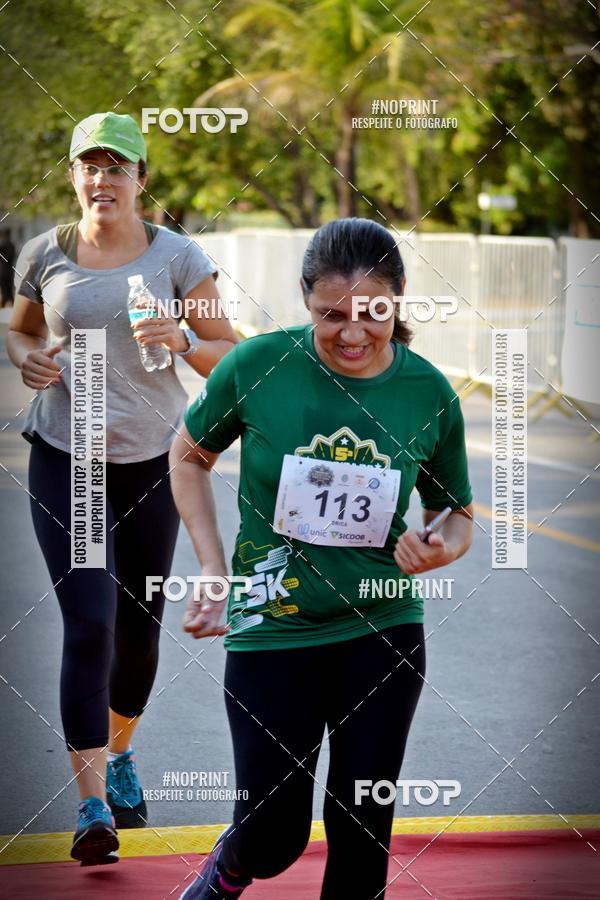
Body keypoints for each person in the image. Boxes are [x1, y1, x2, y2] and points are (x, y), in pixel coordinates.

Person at [169, 217, 474, 899]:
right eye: (331, 315)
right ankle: (235, 861)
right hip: (270, 626)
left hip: (382, 628)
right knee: (274, 838)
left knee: (362, 824)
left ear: (400, 302)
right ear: (305, 300)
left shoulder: (427, 391)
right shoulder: (258, 365)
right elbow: (188, 456)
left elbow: (456, 513)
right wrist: (214, 569)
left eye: (375, 314)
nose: (354, 334)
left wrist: (438, 547)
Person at [6, 112, 238, 866]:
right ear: (74, 176)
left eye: (117, 167)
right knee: (90, 622)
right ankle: (91, 803)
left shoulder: (177, 256)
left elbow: (227, 354)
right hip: (69, 460)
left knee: (139, 626)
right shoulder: (47, 253)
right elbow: (20, 328)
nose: (102, 180)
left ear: (141, 179)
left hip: (152, 464)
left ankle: (124, 751)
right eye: (90, 167)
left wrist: (180, 337)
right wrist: (28, 358)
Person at [0, 228, 16, 306]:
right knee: (9, 286)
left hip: (4, 270)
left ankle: (4, 301)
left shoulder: (3, 245)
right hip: (10, 270)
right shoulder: (12, 245)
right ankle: (10, 301)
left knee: (4, 287)